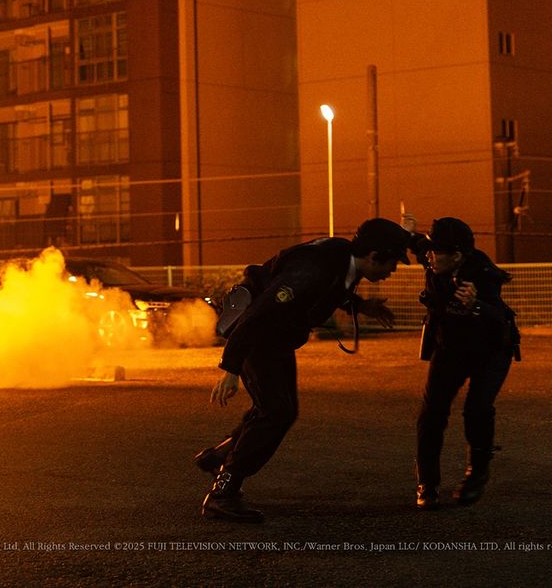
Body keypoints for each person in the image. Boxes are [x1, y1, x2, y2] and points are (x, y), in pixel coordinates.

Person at [196, 218, 412, 522]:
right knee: (276, 412)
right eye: (392, 263)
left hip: (275, 334)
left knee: (280, 409)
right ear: (374, 256)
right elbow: (258, 314)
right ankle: (223, 493)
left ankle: (219, 456)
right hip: (257, 332)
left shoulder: (343, 256)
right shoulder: (312, 272)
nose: (393, 271)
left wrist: (362, 306)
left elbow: (335, 287)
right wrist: (230, 368)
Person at [409, 216, 519, 510]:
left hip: (491, 350)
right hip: (451, 347)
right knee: (431, 414)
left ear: (457, 256)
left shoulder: (482, 274)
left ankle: (477, 473)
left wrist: (476, 305)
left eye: (436, 251)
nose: (429, 255)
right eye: (429, 250)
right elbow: (416, 244)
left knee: (477, 408)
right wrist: (406, 231)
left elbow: (499, 316)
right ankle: (427, 484)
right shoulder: (435, 259)